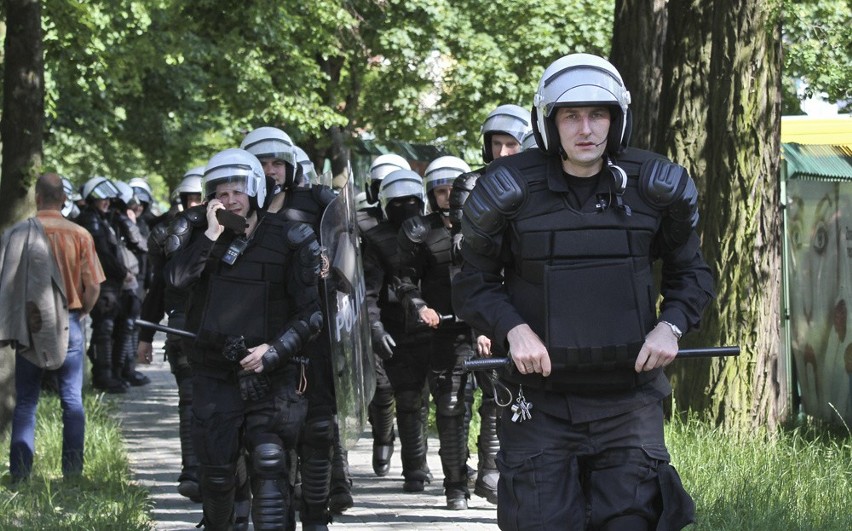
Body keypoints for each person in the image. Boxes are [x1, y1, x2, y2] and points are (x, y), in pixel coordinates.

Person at [451, 53, 715, 530]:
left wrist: (671, 326)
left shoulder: (656, 187)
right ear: (549, 122)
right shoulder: (507, 188)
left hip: (629, 401)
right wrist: (514, 330)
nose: (586, 129)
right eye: (571, 116)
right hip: (539, 404)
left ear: (618, 119)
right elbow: (472, 281)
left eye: (598, 114)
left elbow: (691, 272)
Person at [166, 148, 323, 530]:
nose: (230, 199)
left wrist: (273, 350)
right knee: (217, 476)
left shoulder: (290, 237)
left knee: (270, 465)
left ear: (254, 190)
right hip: (214, 373)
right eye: (221, 192)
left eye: (237, 190)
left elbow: (312, 314)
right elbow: (175, 282)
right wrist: (209, 237)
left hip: (273, 374)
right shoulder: (199, 238)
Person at [241, 126, 352, 526]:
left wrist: (332, 264)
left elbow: (348, 242)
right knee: (266, 445)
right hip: (259, 337)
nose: (271, 171)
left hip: (313, 331)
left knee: (319, 430)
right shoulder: (240, 209)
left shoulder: (317, 201)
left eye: (277, 163)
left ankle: (318, 516)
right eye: (263, 164)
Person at [448, 103, 532, 505]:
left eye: (511, 144)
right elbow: (468, 261)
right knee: (497, 392)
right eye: (497, 144)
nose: (503, 152)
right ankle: (490, 474)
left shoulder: (539, 180)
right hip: (490, 304)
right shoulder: (471, 185)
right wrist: (481, 326)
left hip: (531, 301)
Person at [1, 173, 105, 484]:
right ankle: (72, 474)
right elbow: (94, 285)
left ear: (36, 197)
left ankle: (20, 475)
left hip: (30, 325)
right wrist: (83, 310)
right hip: (70, 323)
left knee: (27, 402)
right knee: (71, 400)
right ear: (63, 199)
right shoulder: (80, 234)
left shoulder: (17, 233)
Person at [395, 156, 476, 510]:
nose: (447, 196)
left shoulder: (486, 224)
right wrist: (420, 306)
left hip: (489, 327)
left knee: (498, 406)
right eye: (441, 190)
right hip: (445, 331)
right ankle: (455, 484)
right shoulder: (421, 231)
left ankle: (490, 471)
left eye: (453, 189)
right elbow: (405, 280)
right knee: (450, 405)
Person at [362, 168, 434, 493]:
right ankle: (399, 454)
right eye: (398, 201)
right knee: (393, 395)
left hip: (429, 326)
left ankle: (420, 467)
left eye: (411, 201)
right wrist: (375, 327)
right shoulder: (375, 239)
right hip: (392, 326)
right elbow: (367, 290)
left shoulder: (434, 233)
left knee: (419, 399)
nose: (406, 207)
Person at [137, 166, 205, 501]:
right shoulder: (166, 236)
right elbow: (157, 289)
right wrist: (145, 337)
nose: (194, 203)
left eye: (199, 197)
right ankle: (192, 471)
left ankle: (219, 476)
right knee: (190, 402)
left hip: (222, 330)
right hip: (182, 330)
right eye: (189, 197)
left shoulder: (231, 229)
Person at [358, 153, 411, 477]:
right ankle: (382, 437)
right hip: (373, 313)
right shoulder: (363, 222)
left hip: (413, 317)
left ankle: (414, 463)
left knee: (410, 394)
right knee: (381, 387)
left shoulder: (424, 223)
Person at [76, 176, 135, 393]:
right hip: (103, 283)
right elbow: (102, 253)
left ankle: (111, 375)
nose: (107, 202)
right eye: (102, 198)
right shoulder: (91, 220)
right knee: (104, 330)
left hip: (110, 284)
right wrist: (122, 273)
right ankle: (103, 376)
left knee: (110, 329)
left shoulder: (103, 219)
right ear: (92, 199)